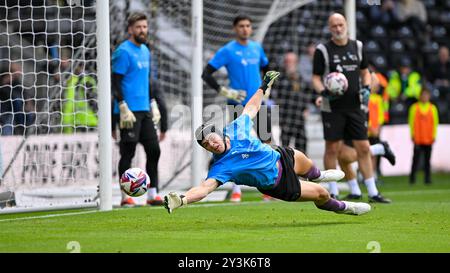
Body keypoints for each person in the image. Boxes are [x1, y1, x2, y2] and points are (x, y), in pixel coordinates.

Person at [163, 71, 371, 216]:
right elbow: (204, 188)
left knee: (303, 160)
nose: (212, 144)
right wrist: (183, 199)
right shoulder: (220, 166)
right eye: (206, 145)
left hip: (280, 155)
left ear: (218, 133)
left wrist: (263, 87)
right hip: (279, 183)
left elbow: (251, 108)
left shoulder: (234, 128)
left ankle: (318, 175)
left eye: (211, 139)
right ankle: (345, 207)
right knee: (322, 195)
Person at [312, 13, 390, 203]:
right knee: (332, 149)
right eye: (334, 26)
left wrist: (366, 88)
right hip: (333, 108)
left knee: (363, 147)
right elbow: (315, 78)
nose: (338, 29)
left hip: (356, 106)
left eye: (340, 25)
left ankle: (373, 192)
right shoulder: (323, 50)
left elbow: (365, 72)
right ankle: (333, 191)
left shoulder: (358, 46)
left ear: (346, 25)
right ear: (329, 29)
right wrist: (324, 92)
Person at [202, 14, 270, 202]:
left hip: (259, 104)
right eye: (241, 26)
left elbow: (267, 67)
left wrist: (267, 87)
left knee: (266, 143)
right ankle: (236, 189)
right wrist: (224, 91)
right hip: (237, 105)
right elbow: (206, 74)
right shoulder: (228, 50)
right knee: (238, 146)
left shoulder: (257, 48)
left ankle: (269, 188)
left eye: (248, 25)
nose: (245, 29)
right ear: (235, 28)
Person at [111, 12, 167, 207]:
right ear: (130, 29)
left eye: (144, 26)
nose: (142, 30)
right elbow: (114, 81)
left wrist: (152, 102)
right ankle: (126, 196)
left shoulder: (146, 50)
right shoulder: (123, 52)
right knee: (128, 153)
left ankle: (153, 194)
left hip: (144, 110)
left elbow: (146, 81)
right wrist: (121, 105)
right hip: (128, 111)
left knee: (154, 150)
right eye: (138, 27)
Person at [274, 52, 308, 152]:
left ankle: (302, 165)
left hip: (299, 116)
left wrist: (306, 108)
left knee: (301, 143)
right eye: (288, 62)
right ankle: (286, 165)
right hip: (285, 116)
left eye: (292, 62)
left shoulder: (301, 78)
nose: (290, 64)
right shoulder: (280, 79)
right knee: (285, 145)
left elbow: (305, 95)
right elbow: (276, 96)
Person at [408, 87, 438, 185]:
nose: (424, 97)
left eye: (426, 95)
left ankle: (427, 179)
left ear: (429, 96)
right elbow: (411, 122)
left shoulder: (432, 108)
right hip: (418, 138)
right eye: (423, 95)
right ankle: (412, 178)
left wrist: (434, 135)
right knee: (415, 160)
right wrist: (412, 135)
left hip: (428, 138)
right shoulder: (414, 107)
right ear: (420, 96)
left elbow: (435, 123)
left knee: (427, 160)